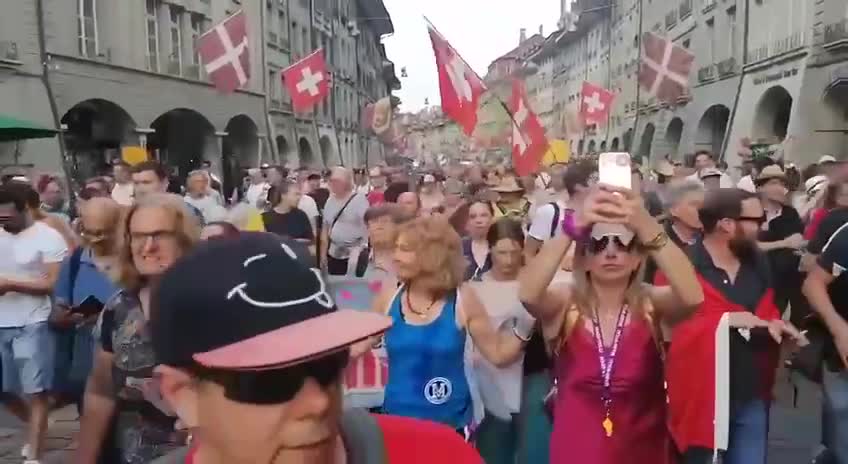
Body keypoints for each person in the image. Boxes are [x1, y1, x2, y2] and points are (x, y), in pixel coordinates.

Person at [147, 233, 483, 464]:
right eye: (270, 382)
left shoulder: (436, 454)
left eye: (328, 366)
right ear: (182, 394)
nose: (319, 402)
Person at [518, 184, 705, 464]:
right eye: (598, 243)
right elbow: (528, 293)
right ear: (584, 260)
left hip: (643, 451)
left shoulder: (652, 305)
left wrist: (645, 224)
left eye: (623, 243)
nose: (611, 252)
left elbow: (692, 296)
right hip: (577, 451)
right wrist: (574, 226)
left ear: (637, 259)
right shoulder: (565, 304)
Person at [666, 189, 805, 464]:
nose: (762, 225)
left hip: (751, 391)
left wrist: (777, 325)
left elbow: (766, 311)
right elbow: (668, 326)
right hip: (700, 399)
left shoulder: (758, 262)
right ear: (727, 224)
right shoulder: (681, 265)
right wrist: (726, 320)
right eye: (755, 219)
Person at [365, 216, 530, 435]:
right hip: (397, 425)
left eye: (404, 249)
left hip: (452, 427)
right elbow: (357, 347)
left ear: (432, 255)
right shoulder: (388, 298)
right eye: (394, 249)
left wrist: (526, 327)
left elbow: (498, 355)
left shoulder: (463, 299)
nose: (395, 257)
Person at [76, 193, 200, 464]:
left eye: (160, 235)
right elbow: (100, 393)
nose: (148, 246)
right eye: (138, 236)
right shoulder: (118, 308)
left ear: (184, 240)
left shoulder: (211, 303)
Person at [0, 184, 69, 464]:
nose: (2, 223)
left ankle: (35, 455)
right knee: (3, 391)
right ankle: (36, 426)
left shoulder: (49, 237)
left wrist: (10, 284)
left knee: (36, 390)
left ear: (25, 210)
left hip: (33, 320)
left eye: (7, 218)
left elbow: (52, 282)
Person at [471, 218, 536, 464]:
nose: (508, 260)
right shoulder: (474, 288)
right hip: (490, 383)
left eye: (514, 253)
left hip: (531, 378)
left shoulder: (533, 284)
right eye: (502, 253)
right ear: (490, 250)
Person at [51, 198, 121, 413]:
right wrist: (64, 316)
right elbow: (57, 310)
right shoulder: (73, 262)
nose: (94, 239)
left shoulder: (133, 261)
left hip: (127, 368)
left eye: (101, 232)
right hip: (86, 368)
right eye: (88, 231)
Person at [803, 205, 848, 463]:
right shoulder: (846, 236)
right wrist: (840, 328)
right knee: (841, 439)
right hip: (841, 355)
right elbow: (813, 284)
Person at [755, 166, 807, 323]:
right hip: (757, 279)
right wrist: (783, 243)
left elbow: (797, 241)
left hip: (786, 281)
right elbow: (748, 245)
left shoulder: (790, 213)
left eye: (783, 184)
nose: (780, 188)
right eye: (774, 183)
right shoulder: (751, 212)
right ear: (761, 187)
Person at [320, 168, 369, 276]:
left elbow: (367, 225)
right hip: (334, 252)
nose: (333, 184)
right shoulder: (329, 201)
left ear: (346, 182)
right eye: (331, 181)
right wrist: (323, 254)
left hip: (354, 253)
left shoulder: (359, 200)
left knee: (351, 286)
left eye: (337, 181)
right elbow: (325, 228)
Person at [261, 181, 314, 246]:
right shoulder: (265, 218)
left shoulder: (301, 215)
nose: (299, 198)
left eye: (299, 194)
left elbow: (309, 240)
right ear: (283, 195)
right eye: (296, 194)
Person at [462, 200, 495, 281]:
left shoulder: (500, 246)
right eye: (473, 216)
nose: (478, 221)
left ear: (492, 218)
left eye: (484, 215)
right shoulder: (458, 248)